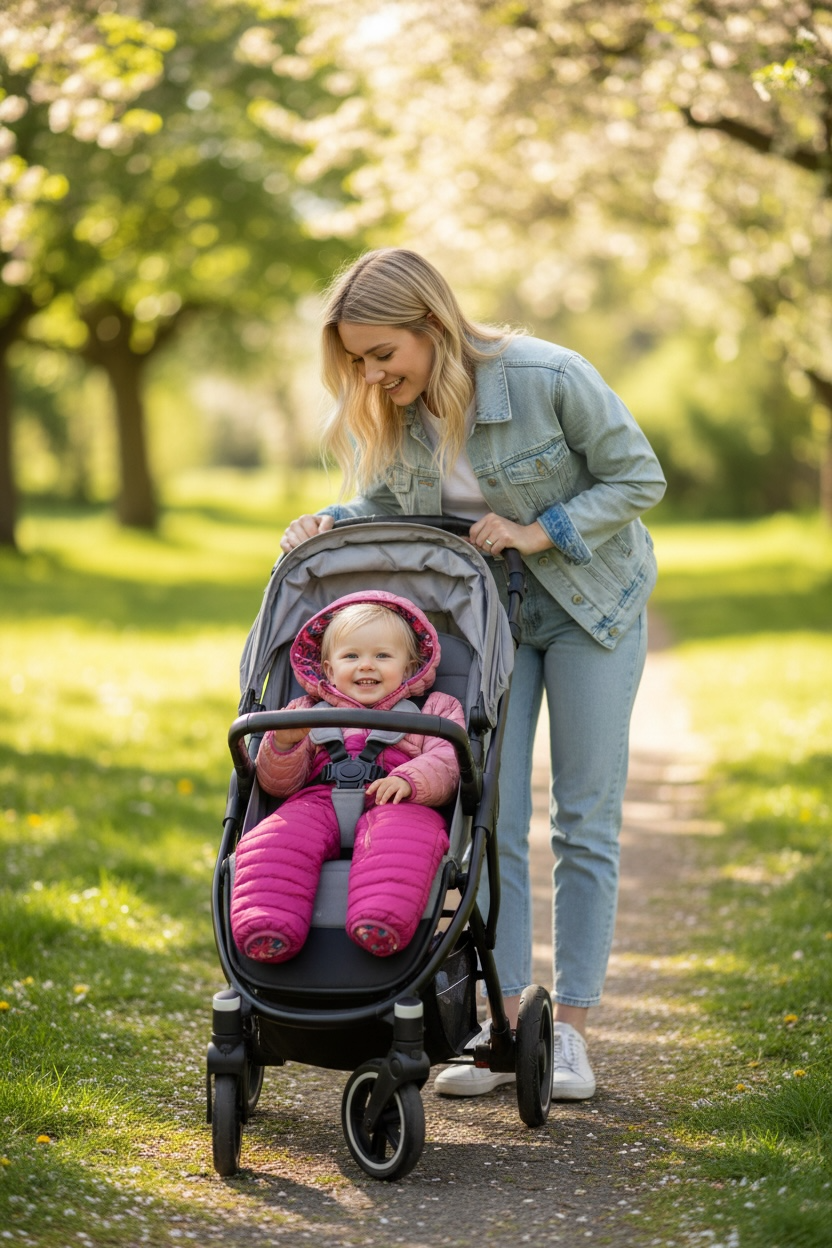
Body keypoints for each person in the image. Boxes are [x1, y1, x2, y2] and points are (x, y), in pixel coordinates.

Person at [279, 248, 666, 1097]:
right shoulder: (399, 411)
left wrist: (541, 528)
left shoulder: (547, 376)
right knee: (492, 817)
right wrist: (329, 520)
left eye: (384, 354)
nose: (374, 377)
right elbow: (388, 507)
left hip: (589, 604)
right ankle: (506, 1022)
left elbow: (639, 476)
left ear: (432, 325)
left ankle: (568, 1032)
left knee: (584, 814)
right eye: (358, 363)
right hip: (492, 622)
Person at [230, 590, 465, 963]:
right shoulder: (303, 712)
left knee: (404, 840)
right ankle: (267, 926)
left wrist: (410, 778)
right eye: (351, 656)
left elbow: (450, 760)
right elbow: (277, 785)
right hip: (316, 799)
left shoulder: (433, 710)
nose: (366, 666)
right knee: (274, 839)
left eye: (382, 656)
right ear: (328, 669)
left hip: (397, 801)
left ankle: (380, 920)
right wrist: (285, 746)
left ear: (409, 668)